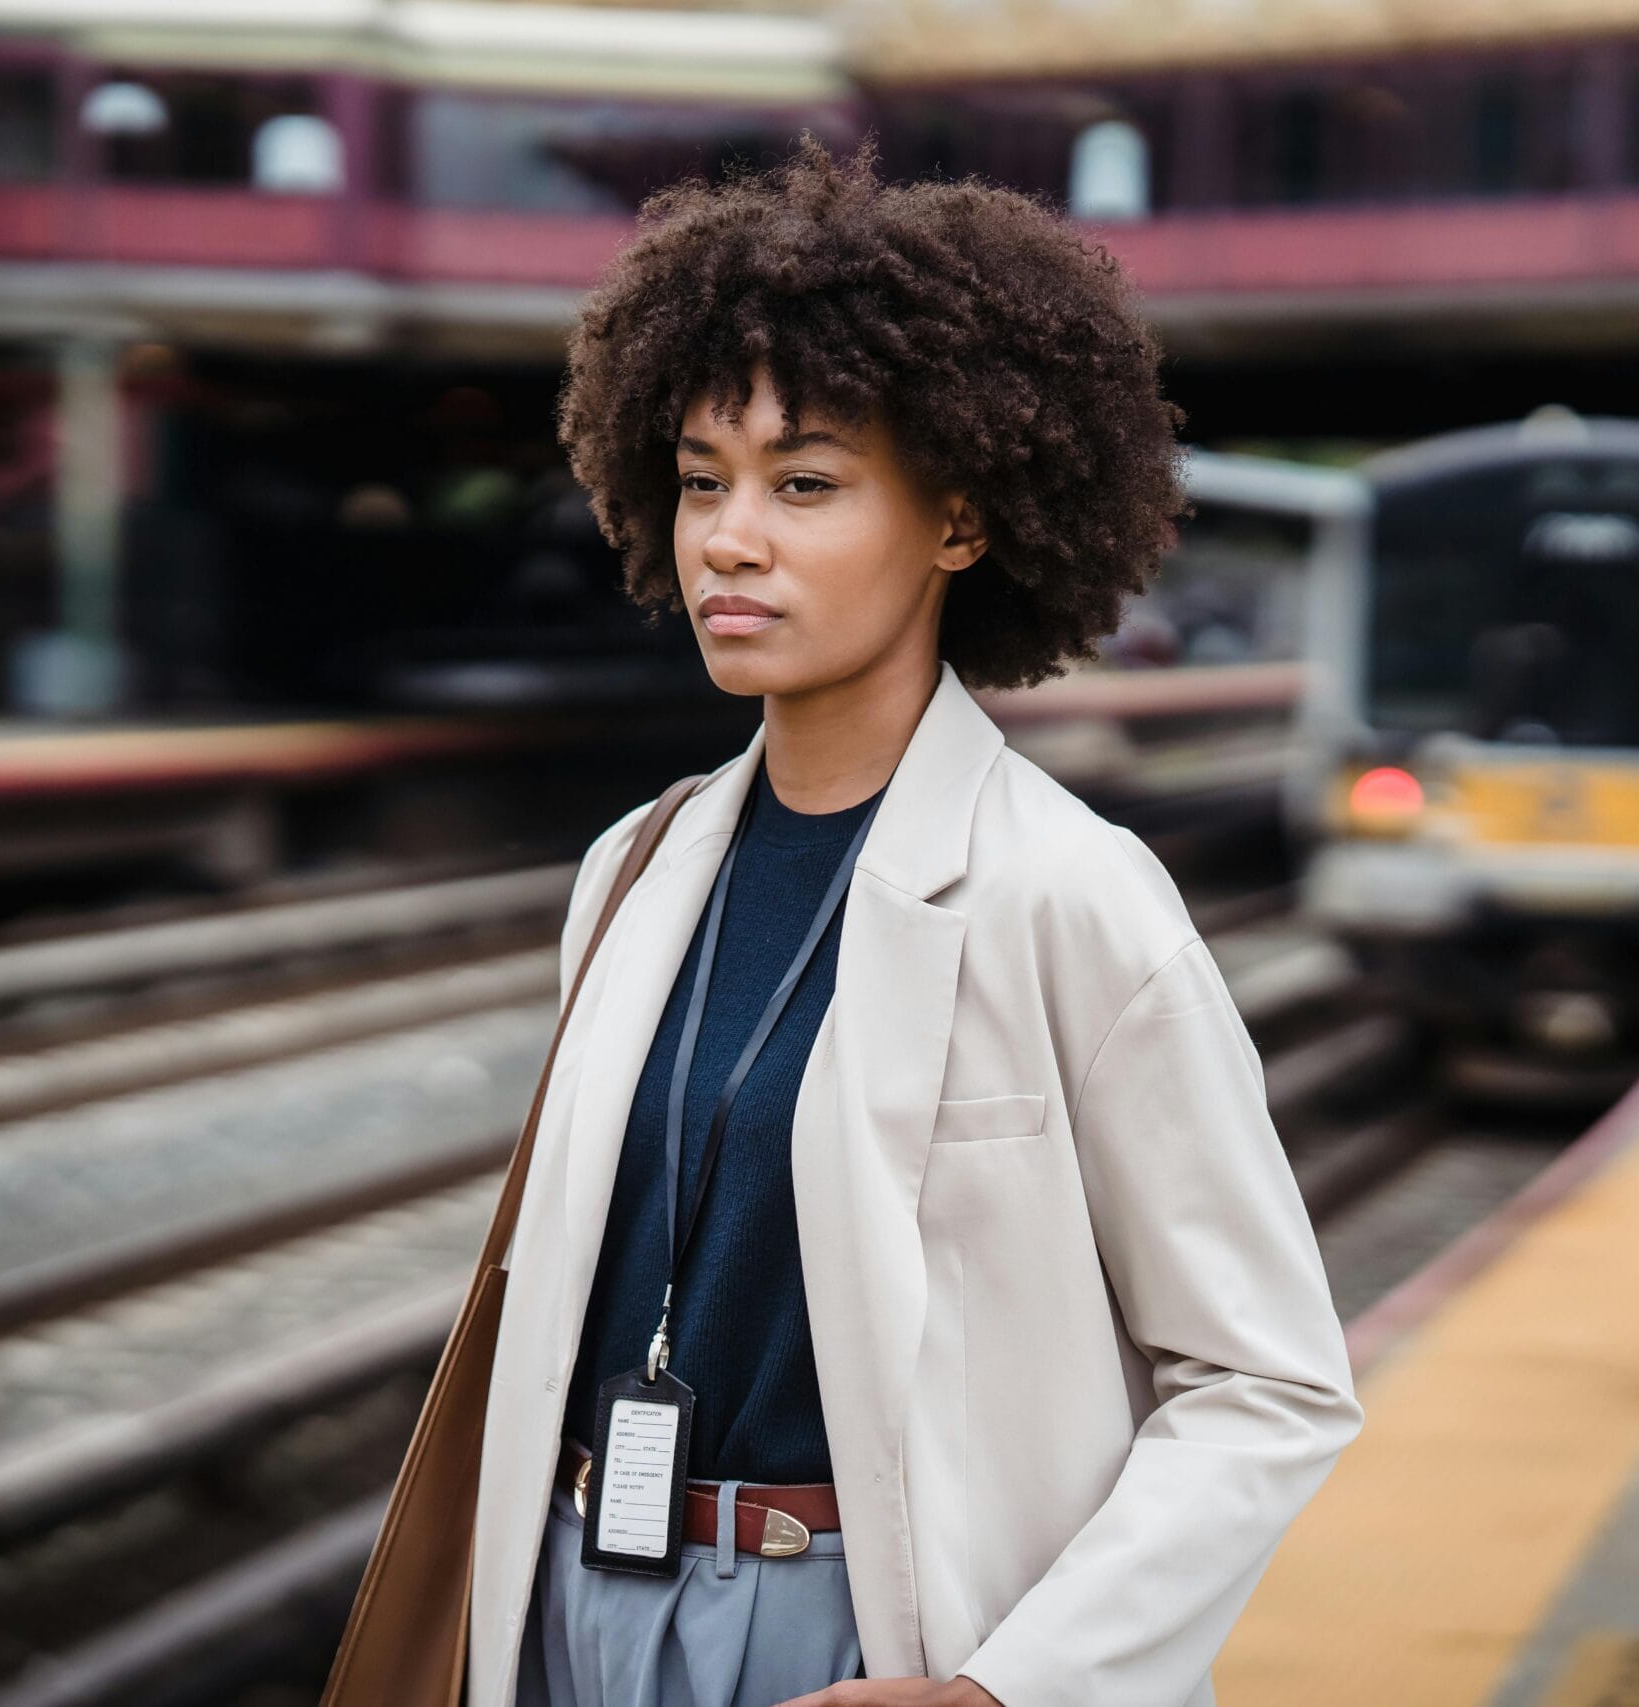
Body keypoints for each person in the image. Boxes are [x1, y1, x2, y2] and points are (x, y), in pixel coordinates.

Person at [441, 139, 1363, 1707]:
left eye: (805, 483)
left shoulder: (1067, 892)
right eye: (700, 480)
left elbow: (1265, 1380)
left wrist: (1015, 1688)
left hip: (881, 1638)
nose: (732, 536)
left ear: (958, 520)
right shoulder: (635, 867)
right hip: (580, 1604)